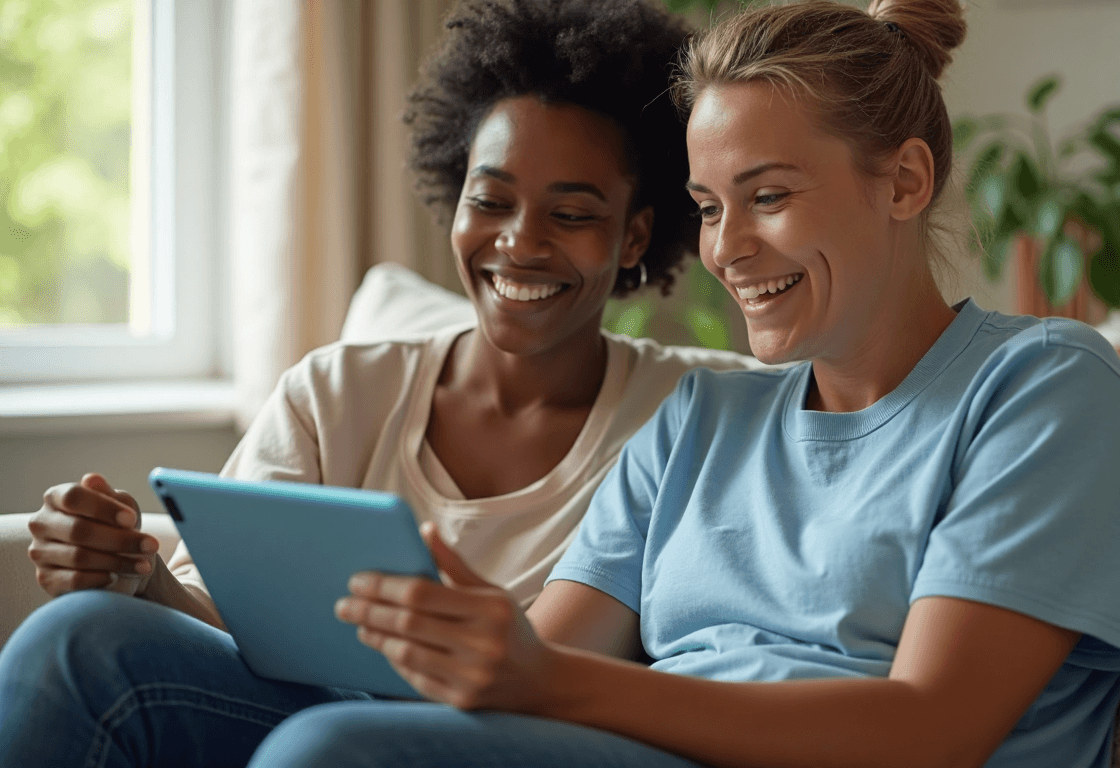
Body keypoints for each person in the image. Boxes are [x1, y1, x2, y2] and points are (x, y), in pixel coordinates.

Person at [238, 1, 1120, 767]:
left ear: (905, 182)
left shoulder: (1043, 387)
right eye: (708, 207)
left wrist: (543, 681)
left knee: (328, 753)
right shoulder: (702, 416)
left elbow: (930, 730)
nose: (726, 249)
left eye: (768, 196)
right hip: (624, 746)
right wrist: (455, 639)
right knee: (101, 646)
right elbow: (546, 654)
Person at [0, 0, 757, 765]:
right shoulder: (337, 391)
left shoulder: (701, 412)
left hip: (499, 745)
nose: (518, 242)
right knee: (74, 638)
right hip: (299, 716)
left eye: (569, 214)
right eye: (490, 201)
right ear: (454, 201)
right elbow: (217, 620)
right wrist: (136, 569)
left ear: (634, 234)